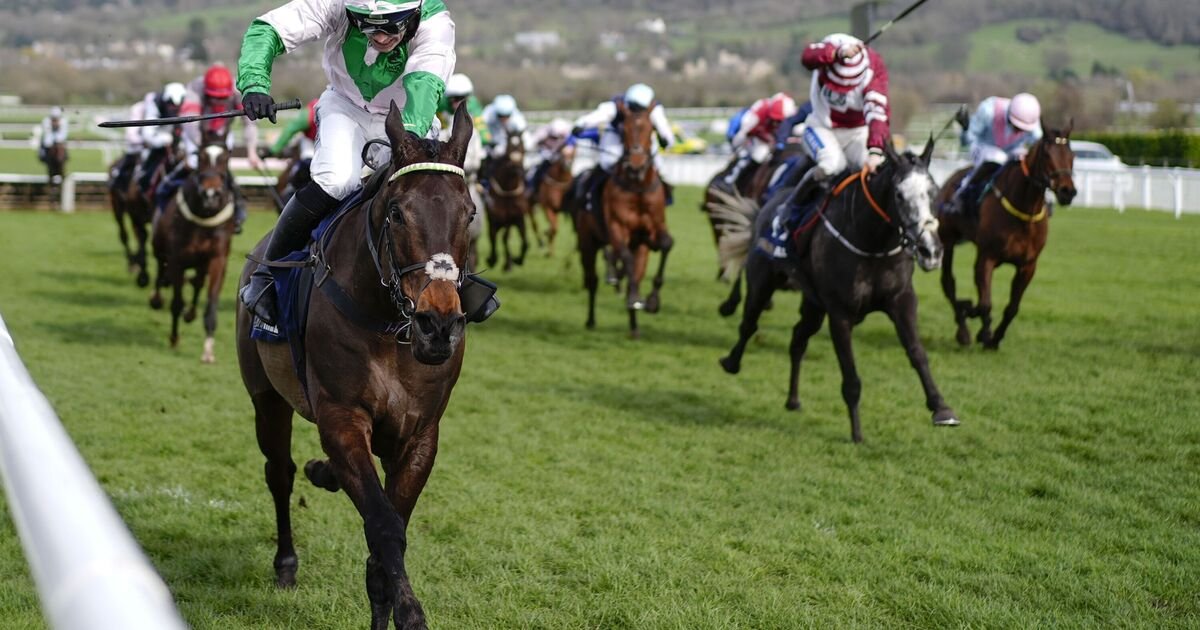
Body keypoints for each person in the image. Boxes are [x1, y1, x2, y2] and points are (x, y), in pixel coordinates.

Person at [236, 0, 457, 326]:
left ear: (413, 14)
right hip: (346, 107)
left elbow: (423, 87)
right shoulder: (337, 4)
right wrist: (255, 83)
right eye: (366, 25)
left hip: (410, 115)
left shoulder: (435, 22)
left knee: (429, 192)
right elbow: (268, 29)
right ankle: (266, 274)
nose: (379, 37)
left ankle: (459, 282)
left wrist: (406, 143)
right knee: (337, 180)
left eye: (391, 26)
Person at [786, 33, 890, 209]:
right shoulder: (830, 48)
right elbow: (808, 56)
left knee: (878, 168)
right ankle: (790, 208)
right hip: (821, 127)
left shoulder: (873, 70)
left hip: (857, 132)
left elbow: (877, 114)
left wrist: (875, 150)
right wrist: (836, 53)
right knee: (832, 165)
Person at [159, 63, 263, 232]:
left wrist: (252, 152)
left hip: (222, 135)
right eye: (214, 97)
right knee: (194, 163)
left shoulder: (239, 89)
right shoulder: (195, 88)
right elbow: (189, 121)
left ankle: (237, 209)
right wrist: (202, 147)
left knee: (220, 166)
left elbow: (250, 123)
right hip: (197, 134)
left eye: (223, 98)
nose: (218, 102)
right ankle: (165, 192)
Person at [571, 82, 676, 210]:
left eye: (640, 108)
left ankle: (666, 196)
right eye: (633, 107)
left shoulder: (654, 109)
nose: (636, 111)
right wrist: (581, 124)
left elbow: (663, 126)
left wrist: (667, 140)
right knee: (607, 163)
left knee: (660, 166)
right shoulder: (615, 106)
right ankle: (591, 195)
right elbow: (597, 116)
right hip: (617, 137)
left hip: (642, 139)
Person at [947, 93, 1043, 214]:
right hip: (982, 146)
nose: (1018, 131)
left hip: (1011, 151)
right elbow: (968, 140)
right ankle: (962, 193)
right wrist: (965, 130)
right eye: (1016, 126)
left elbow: (1039, 147)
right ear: (1009, 115)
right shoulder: (988, 110)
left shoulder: (1032, 122)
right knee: (998, 157)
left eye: (1022, 130)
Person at [109, 82, 188, 194]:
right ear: (166, 101)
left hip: (164, 141)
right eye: (171, 105)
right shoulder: (144, 107)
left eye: (177, 106)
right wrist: (162, 140)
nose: (174, 109)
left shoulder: (183, 108)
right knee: (135, 154)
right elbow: (143, 135)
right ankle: (120, 181)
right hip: (142, 141)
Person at [721, 92, 798, 190]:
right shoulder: (759, 112)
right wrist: (736, 148)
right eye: (774, 120)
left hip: (772, 137)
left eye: (779, 121)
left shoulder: (792, 113)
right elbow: (745, 133)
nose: (776, 123)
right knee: (759, 155)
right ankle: (732, 182)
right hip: (754, 136)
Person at [438, 72, 489, 145]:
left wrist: (485, 139)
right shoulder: (440, 106)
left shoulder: (473, 106)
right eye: (455, 99)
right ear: (449, 98)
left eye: (462, 99)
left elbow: (481, 128)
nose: (459, 103)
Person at [527, 117, 572, 192]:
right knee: (534, 171)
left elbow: (570, 144)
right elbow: (533, 142)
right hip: (544, 153)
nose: (558, 139)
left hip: (558, 155)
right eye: (555, 137)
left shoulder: (567, 133)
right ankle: (532, 188)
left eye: (560, 137)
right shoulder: (543, 132)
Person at [37, 106, 69, 174]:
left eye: (56, 119)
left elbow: (63, 135)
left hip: (60, 142)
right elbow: (47, 137)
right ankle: (42, 156)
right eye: (53, 119)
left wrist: (58, 141)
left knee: (63, 150)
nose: (55, 121)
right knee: (42, 149)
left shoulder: (64, 121)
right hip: (48, 142)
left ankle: (66, 157)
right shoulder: (46, 121)